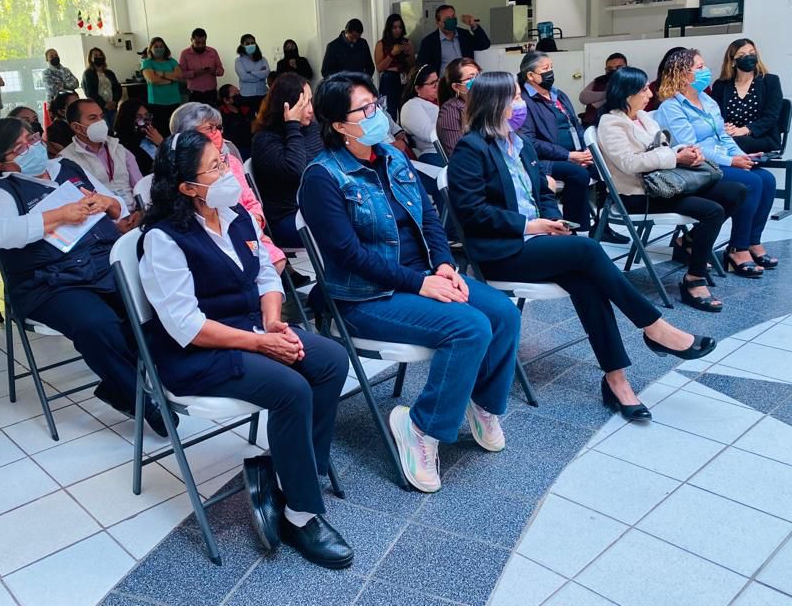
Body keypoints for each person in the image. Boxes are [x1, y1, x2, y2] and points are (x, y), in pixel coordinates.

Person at [448, 72, 717, 421]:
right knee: (588, 250)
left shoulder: (520, 144)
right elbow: (472, 213)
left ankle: (617, 382)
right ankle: (654, 327)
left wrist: (551, 221)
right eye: (514, 97)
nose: (521, 104)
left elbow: (543, 193)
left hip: (537, 242)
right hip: (502, 251)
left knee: (587, 282)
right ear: (493, 102)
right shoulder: (471, 149)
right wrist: (530, 226)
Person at [299, 72, 520, 493]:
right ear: (339, 125)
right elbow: (349, 256)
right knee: (470, 327)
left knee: (504, 314)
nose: (375, 114)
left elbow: (429, 217)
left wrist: (443, 265)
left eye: (375, 105)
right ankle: (420, 427)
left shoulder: (392, 156)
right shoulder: (322, 177)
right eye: (364, 109)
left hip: (422, 276)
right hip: (366, 297)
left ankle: (482, 403)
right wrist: (419, 283)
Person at [139, 130, 352, 567]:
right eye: (215, 167)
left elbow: (265, 276)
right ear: (187, 187)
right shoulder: (164, 239)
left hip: (252, 329)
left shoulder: (235, 214)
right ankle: (300, 515)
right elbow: (186, 326)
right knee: (292, 388)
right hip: (197, 354)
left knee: (331, 360)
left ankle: (295, 473)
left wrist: (272, 322)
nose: (227, 172)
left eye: (224, 161)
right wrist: (261, 342)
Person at [0, 118, 168, 432]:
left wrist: (107, 202)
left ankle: (118, 386)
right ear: (0, 163)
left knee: (149, 306)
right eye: (19, 148)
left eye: (32, 139)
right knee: (97, 324)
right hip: (49, 280)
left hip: (102, 262)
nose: (32, 148)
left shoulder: (65, 167)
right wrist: (60, 215)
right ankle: (144, 403)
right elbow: (3, 234)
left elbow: (118, 207)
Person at [596, 67, 746, 311]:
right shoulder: (611, 123)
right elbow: (629, 163)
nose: (649, 93)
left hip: (665, 184)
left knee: (736, 191)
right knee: (712, 211)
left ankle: (690, 241)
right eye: (644, 89)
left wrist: (685, 152)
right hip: (639, 194)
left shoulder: (643, 117)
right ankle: (693, 279)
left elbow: (663, 147)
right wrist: (675, 158)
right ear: (628, 94)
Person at [655, 48, 778, 277]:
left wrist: (741, 156)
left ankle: (752, 241)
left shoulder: (707, 100)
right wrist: (731, 160)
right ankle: (737, 249)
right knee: (751, 182)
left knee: (767, 179)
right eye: (700, 67)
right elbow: (692, 147)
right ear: (683, 74)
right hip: (696, 165)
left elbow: (723, 136)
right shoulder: (671, 107)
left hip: (719, 160)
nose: (706, 70)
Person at [519, 51, 629, 244]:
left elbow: (575, 125)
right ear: (530, 75)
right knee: (578, 174)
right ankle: (571, 230)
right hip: (546, 160)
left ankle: (601, 226)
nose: (550, 72)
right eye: (545, 69)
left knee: (605, 167)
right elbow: (530, 142)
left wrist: (586, 151)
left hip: (576, 154)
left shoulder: (558, 95)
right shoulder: (525, 101)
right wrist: (569, 155)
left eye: (551, 67)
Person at [169, 103, 286, 272]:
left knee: (275, 260)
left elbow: (250, 201)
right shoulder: (182, 174)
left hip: (246, 228)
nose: (218, 133)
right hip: (210, 239)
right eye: (209, 128)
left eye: (218, 127)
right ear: (188, 135)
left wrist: (254, 226)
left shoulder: (232, 161)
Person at [250, 73, 322, 249]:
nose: (311, 110)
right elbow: (297, 171)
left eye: (311, 101)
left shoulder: (311, 129)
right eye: (304, 104)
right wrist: (292, 126)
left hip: (317, 206)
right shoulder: (264, 139)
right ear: (287, 106)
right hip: (289, 217)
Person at [60, 99, 144, 221]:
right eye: (93, 118)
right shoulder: (66, 160)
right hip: (102, 222)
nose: (101, 122)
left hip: (135, 216)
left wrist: (140, 212)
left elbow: (139, 186)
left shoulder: (118, 148)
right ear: (77, 127)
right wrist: (113, 224)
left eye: (101, 116)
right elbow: (76, 204)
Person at [711, 38, 783, 154]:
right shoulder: (721, 85)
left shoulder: (770, 81)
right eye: (742, 55)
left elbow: (771, 116)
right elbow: (714, 114)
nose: (748, 57)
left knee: (731, 144)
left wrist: (745, 130)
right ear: (732, 61)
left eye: (752, 54)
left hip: (761, 137)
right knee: (709, 143)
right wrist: (724, 128)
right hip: (729, 136)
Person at [417, 4, 491, 76]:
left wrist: (473, 25)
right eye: (447, 19)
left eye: (453, 17)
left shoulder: (464, 35)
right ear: (438, 22)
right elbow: (422, 67)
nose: (451, 20)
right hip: (444, 82)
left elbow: (484, 44)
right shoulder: (429, 42)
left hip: (467, 80)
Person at [436, 57, 480, 156]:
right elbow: (459, 154)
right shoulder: (450, 111)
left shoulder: (483, 102)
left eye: (478, 75)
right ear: (456, 87)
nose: (477, 81)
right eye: (470, 78)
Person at [374, 14, 415, 119]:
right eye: (394, 27)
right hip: (389, 78)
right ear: (389, 29)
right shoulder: (381, 44)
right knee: (389, 112)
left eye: (400, 27)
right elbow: (379, 68)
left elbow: (412, 65)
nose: (398, 30)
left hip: (404, 78)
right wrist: (392, 53)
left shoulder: (406, 42)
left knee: (406, 111)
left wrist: (408, 53)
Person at [140, 37, 183, 135]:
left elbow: (179, 76)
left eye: (161, 46)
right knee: (160, 130)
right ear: (150, 48)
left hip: (174, 101)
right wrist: (171, 80)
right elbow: (152, 80)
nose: (159, 49)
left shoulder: (172, 61)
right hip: (157, 102)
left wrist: (161, 74)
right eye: (156, 47)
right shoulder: (147, 62)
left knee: (175, 129)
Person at [399, 64, 441, 161]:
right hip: (434, 153)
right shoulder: (411, 106)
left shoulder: (441, 99)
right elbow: (430, 134)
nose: (438, 86)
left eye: (438, 81)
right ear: (418, 89)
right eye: (433, 83)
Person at [114, 98, 164, 177]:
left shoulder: (153, 135)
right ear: (128, 119)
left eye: (147, 115)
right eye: (139, 117)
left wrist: (162, 143)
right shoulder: (122, 144)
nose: (146, 120)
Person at [178, 28, 224, 106]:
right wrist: (195, 73)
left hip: (211, 92)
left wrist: (215, 71)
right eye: (197, 43)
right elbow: (181, 74)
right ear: (191, 40)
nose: (201, 45)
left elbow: (221, 70)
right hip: (194, 93)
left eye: (203, 43)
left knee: (212, 113)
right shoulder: (185, 54)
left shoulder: (212, 51)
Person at [579, 53, 627, 126]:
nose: (614, 70)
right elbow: (583, 97)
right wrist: (609, 94)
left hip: (622, 123)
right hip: (594, 122)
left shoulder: (632, 81)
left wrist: (598, 102)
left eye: (619, 67)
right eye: (610, 69)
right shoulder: (599, 80)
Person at [82, 47, 122, 126]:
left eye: (100, 55)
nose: (99, 57)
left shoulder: (109, 73)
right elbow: (90, 92)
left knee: (115, 128)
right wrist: (104, 104)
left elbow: (117, 88)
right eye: (95, 55)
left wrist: (115, 101)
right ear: (90, 59)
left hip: (112, 107)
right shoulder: (88, 73)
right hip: (99, 108)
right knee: (105, 129)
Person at [217, 84, 253, 159]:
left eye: (239, 93)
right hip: (233, 150)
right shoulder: (220, 115)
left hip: (250, 145)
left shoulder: (245, 108)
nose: (239, 96)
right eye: (235, 95)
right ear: (226, 100)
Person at [235, 34, 271, 107]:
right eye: (247, 44)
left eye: (252, 43)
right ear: (242, 45)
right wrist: (260, 75)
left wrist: (251, 73)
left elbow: (266, 73)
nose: (250, 45)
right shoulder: (239, 61)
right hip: (247, 95)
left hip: (262, 92)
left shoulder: (263, 59)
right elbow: (244, 77)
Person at [46, 91, 79, 157]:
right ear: (61, 111)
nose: (80, 108)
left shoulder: (82, 123)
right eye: (74, 106)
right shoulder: (54, 129)